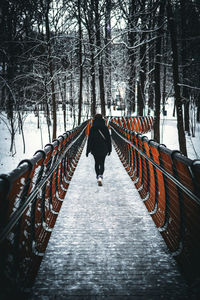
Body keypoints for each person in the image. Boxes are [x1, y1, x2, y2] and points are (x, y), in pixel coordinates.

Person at [86, 114, 112, 186]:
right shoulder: (105, 128)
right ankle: (100, 176)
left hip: (94, 148)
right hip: (104, 148)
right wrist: (109, 149)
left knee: (96, 163)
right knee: (102, 163)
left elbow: (90, 140)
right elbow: (109, 140)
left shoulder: (92, 128)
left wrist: (87, 150)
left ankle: (98, 176)